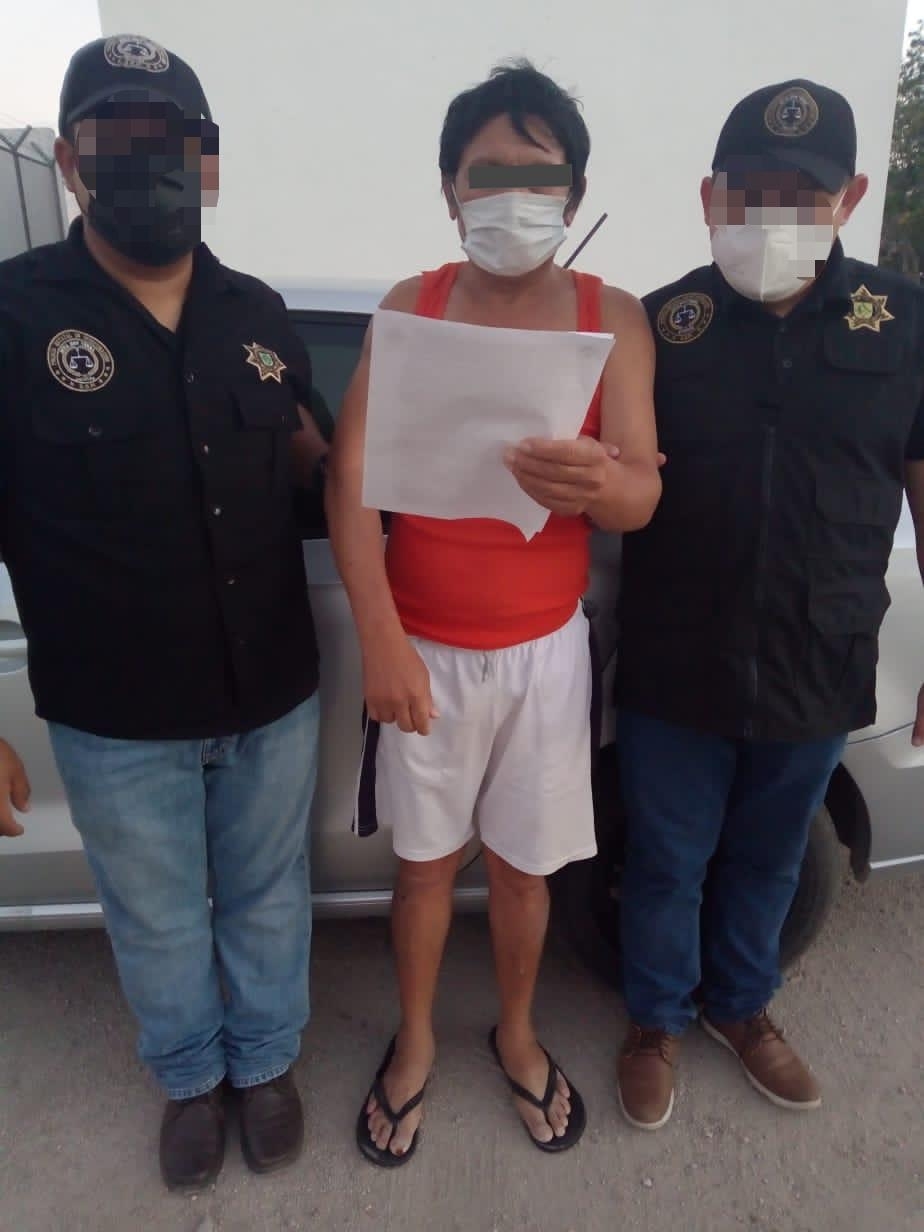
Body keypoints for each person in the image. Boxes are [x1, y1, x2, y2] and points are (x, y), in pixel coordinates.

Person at [0, 35, 329, 1190]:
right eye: (117, 139)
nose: (148, 163)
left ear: (208, 159)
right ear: (71, 161)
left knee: (269, 893)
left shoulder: (259, 313)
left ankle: (266, 1062)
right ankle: (191, 1077)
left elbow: (315, 466)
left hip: (270, 689)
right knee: (155, 913)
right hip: (115, 709)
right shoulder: (15, 315)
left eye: (171, 141)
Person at [326, 60, 661, 1166]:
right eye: (488, 174)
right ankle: (416, 1039)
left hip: (545, 654)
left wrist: (599, 483)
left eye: (540, 176)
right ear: (449, 189)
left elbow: (643, 492)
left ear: (575, 192)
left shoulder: (608, 317)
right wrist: (381, 636)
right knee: (425, 866)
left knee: (523, 869)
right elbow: (351, 478)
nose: (514, 197)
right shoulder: (411, 306)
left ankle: (516, 1032)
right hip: (423, 648)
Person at [613, 78, 924, 1130]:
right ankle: (655, 1017)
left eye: (803, 192)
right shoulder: (663, 324)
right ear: (711, 195)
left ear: (851, 198)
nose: (773, 213)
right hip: (677, 655)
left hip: (818, 652)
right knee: (664, 859)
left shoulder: (905, 325)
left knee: (772, 855)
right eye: (750, 191)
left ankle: (741, 1006)